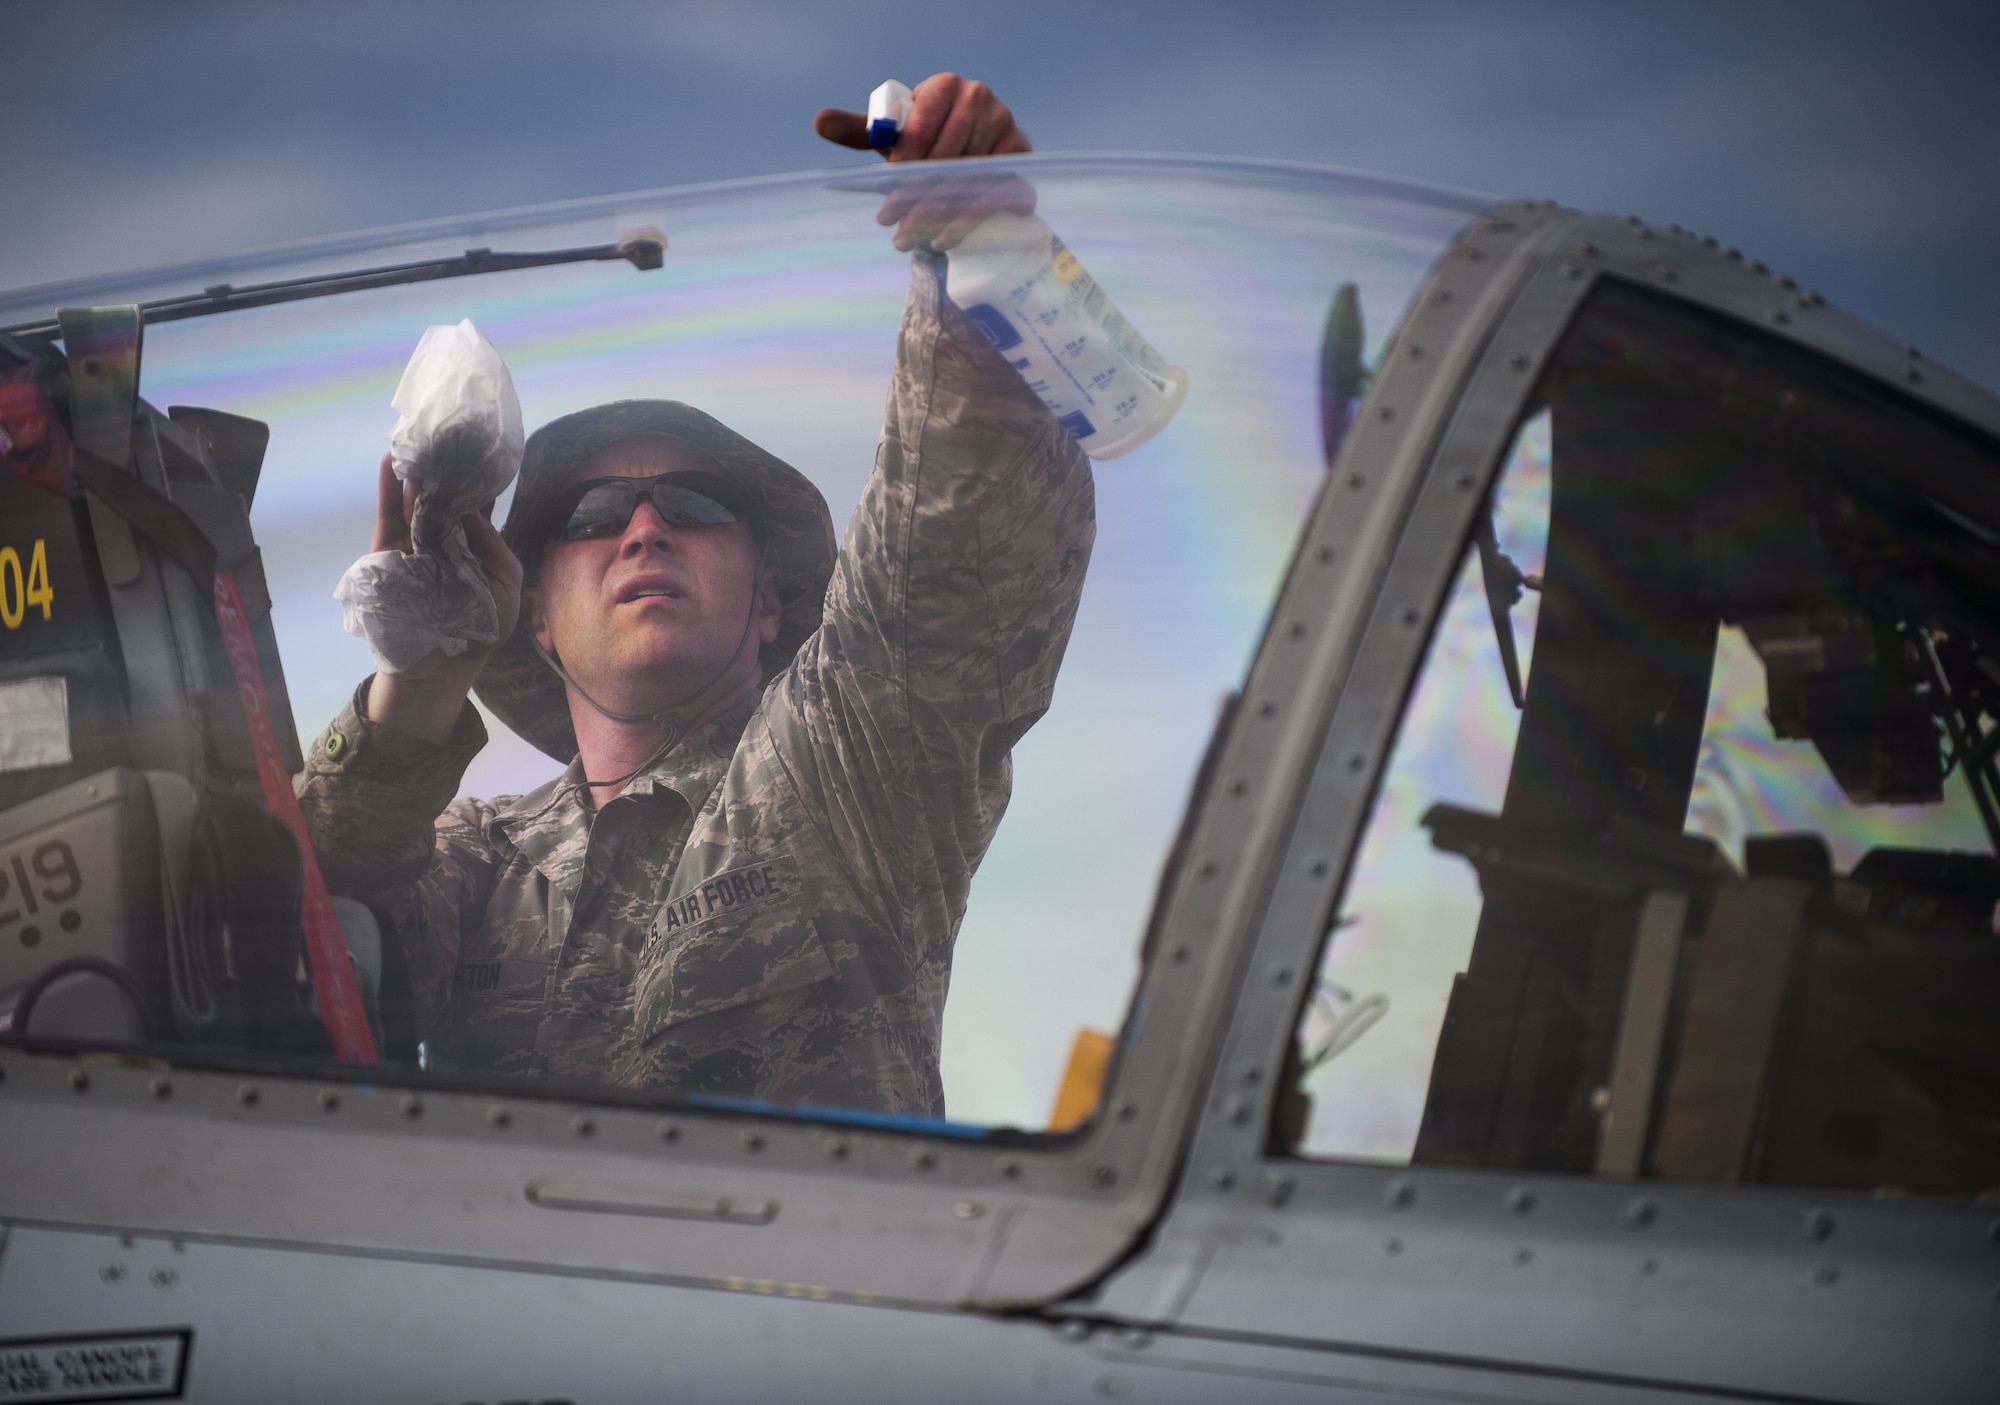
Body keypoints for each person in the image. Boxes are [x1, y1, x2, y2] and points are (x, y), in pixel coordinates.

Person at [296, 75, 1091, 1114]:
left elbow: (950, 551)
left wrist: (978, 252)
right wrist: (420, 682)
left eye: (691, 501)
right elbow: (285, 941)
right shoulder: (474, 861)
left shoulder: (846, 779)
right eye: (590, 517)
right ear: (531, 616)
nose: (642, 526)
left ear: (769, 603)